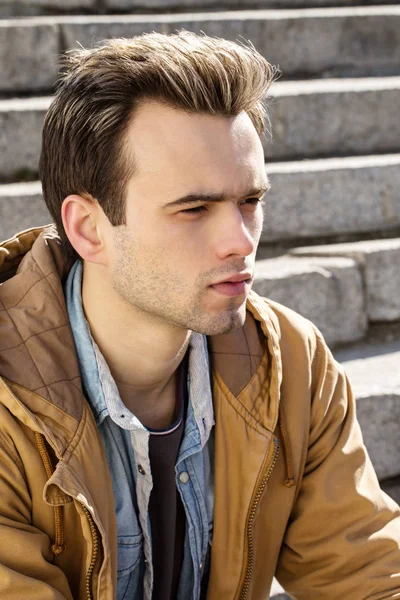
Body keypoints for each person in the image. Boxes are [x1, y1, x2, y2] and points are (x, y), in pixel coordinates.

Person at [0, 31, 399, 600]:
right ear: (88, 228)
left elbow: (368, 576)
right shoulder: (8, 401)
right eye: (194, 209)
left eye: (250, 202)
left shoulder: (289, 361)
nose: (239, 241)